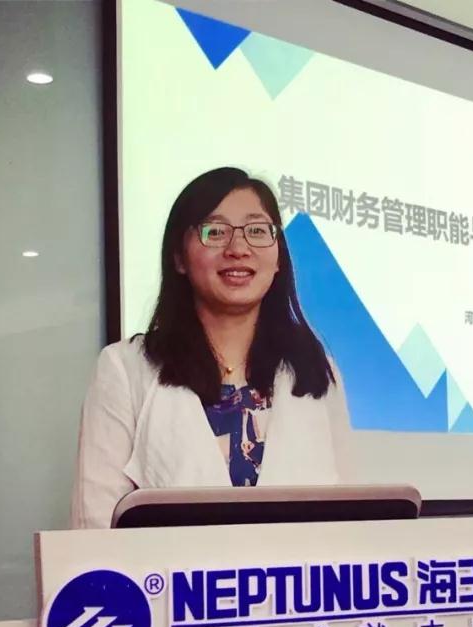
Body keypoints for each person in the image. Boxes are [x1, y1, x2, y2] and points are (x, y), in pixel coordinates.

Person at [69, 167, 353, 529]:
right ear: (179, 257)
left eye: (257, 231)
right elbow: (94, 527)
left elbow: (348, 520)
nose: (238, 249)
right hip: (169, 569)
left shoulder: (315, 370)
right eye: (215, 232)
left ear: (279, 256)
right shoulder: (125, 368)